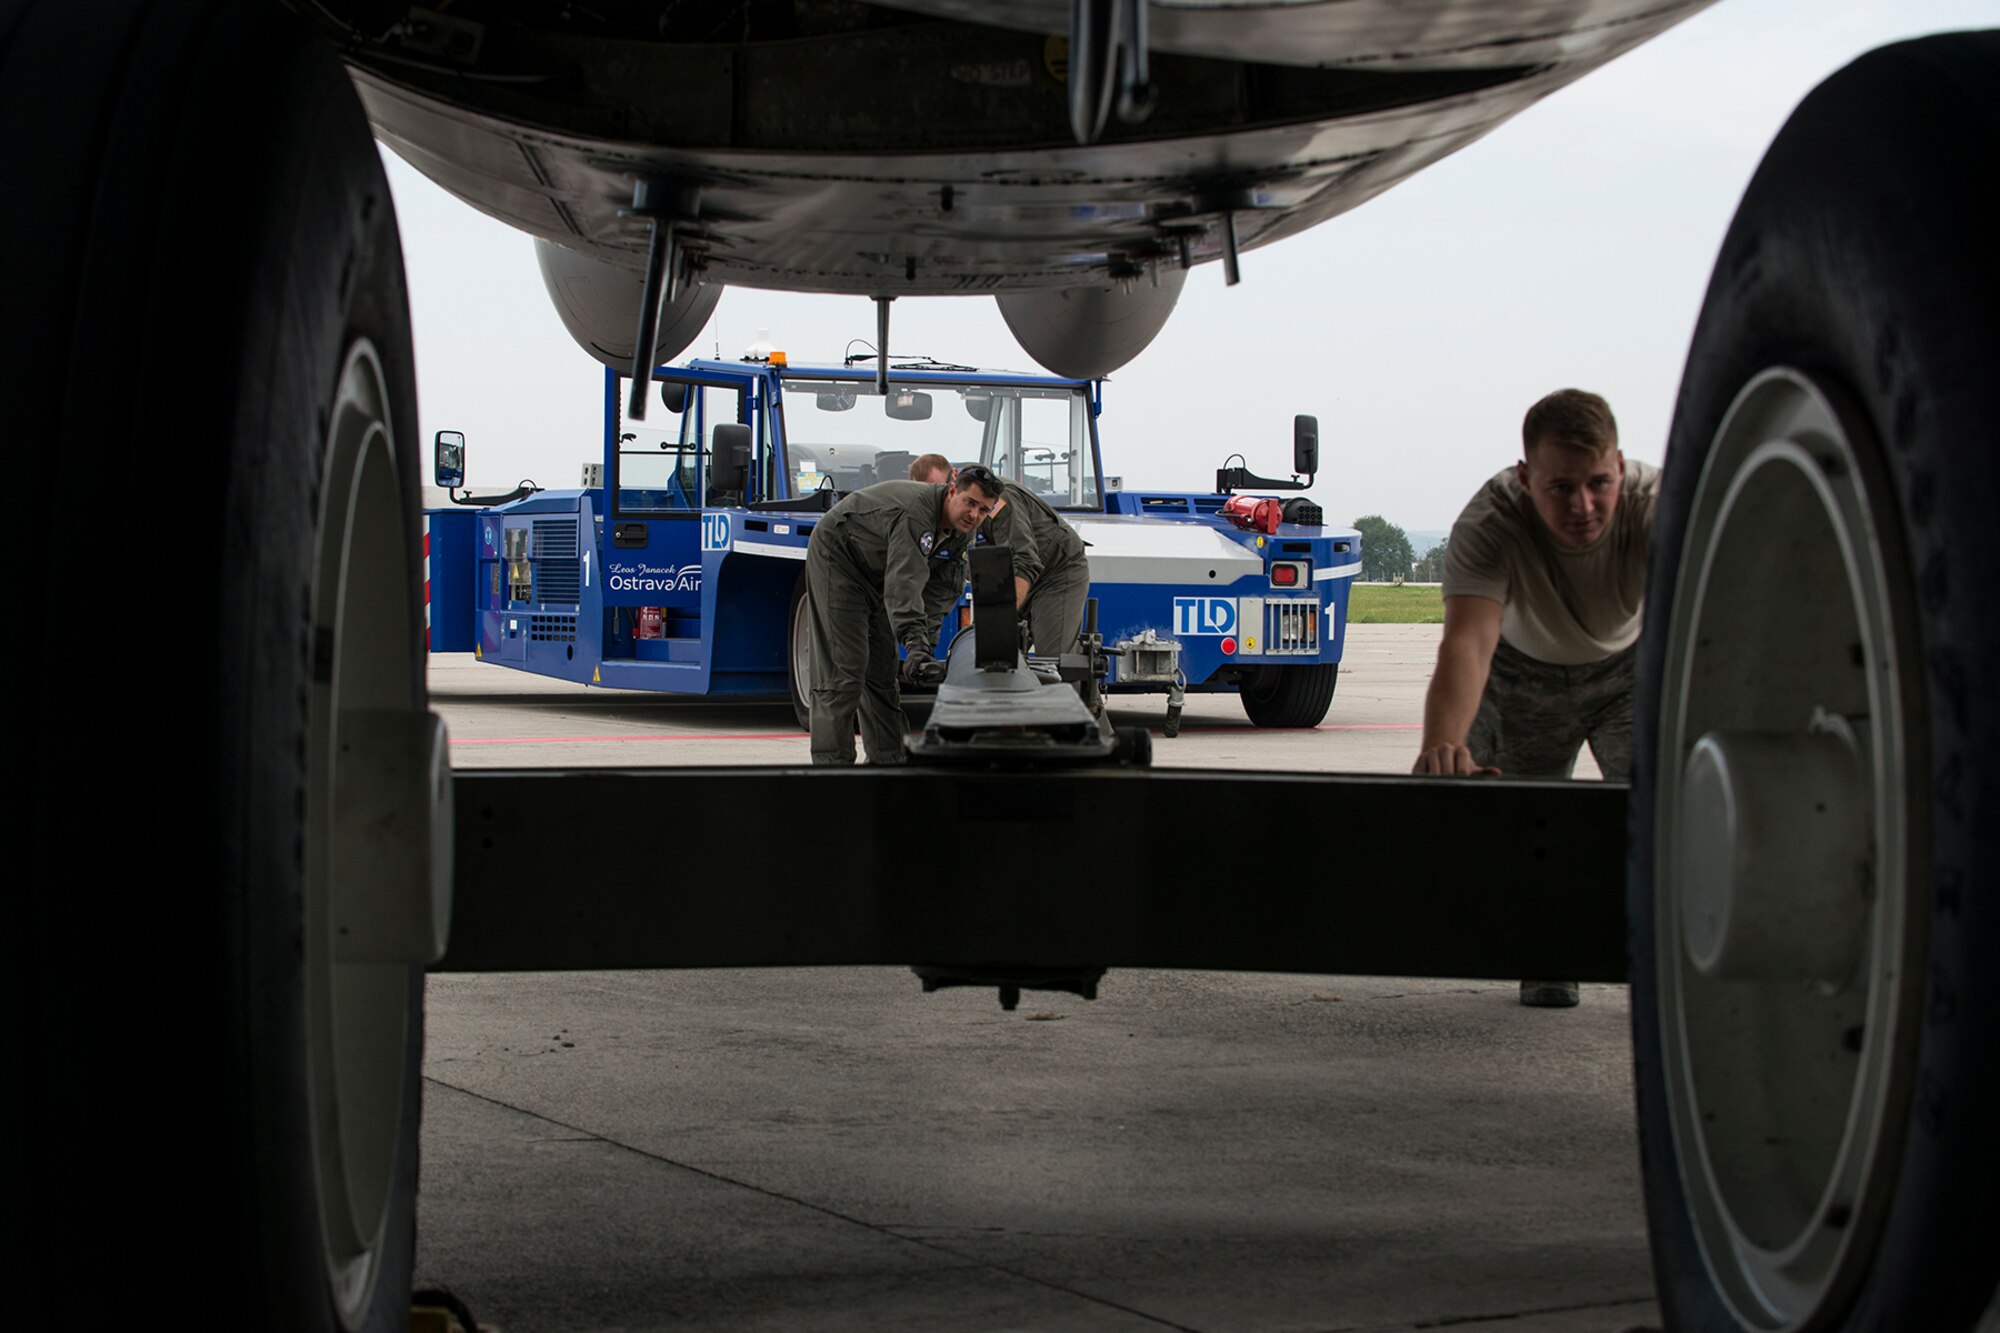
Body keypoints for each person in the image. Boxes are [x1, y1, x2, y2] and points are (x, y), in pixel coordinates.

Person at [1413, 388, 1658, 1008]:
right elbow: (1468, 642)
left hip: (1626, 670)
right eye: (1560, 488)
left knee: (1663, 814)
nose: (1583, 506)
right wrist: (1443, 744)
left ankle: (1666, 960)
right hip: (1522, 671)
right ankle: (1551, 953)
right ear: (1526, 478)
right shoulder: (1492, 520)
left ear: (1621, 467)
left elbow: (1706, 626)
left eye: (1599, 483)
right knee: (1532, 824)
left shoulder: (1659, 508)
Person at [804, 467, 1003, 765]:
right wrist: (913, 639)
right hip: (840, 560)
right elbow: (904, 583)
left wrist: (923, 648)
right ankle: (833, 771)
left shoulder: (962, 531)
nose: (974, 515)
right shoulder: (917, 515)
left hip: (879, 572)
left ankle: (889, 765)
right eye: (970, 503)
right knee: (844, 671)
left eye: (984, 510)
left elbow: (939, 593)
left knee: (882, 672)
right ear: (952, 491)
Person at [908, 455, 1091, 658]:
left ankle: (1074, 689)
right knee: (992, 654)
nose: (940, 497)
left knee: (1055, 660)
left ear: (954, 479)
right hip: (1011, 574)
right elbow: (948, 582)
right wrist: (924, 648)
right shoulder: (949, 513)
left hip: (1055, 572)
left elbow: (1025, 558)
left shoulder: (995, 500)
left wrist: (997, 619)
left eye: (941, 487)